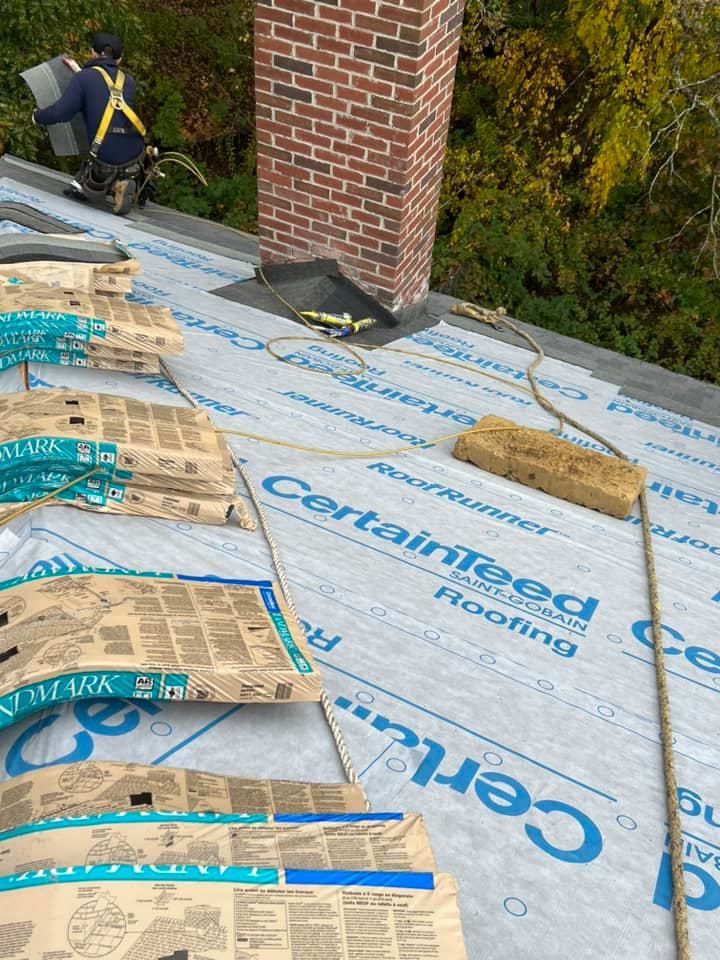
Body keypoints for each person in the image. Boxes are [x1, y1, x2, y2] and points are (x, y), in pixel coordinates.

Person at [32, 32, 146, 215]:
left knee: (93, 144)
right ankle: (119, 183)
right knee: (108, 131)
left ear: (92, 53)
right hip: (135, 153)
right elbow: (105, 95)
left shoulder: (84, 78)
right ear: (120, 59)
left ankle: (99, 182)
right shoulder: (129, 82)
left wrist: (37, 116)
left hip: (105, 153)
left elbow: (61, 113)